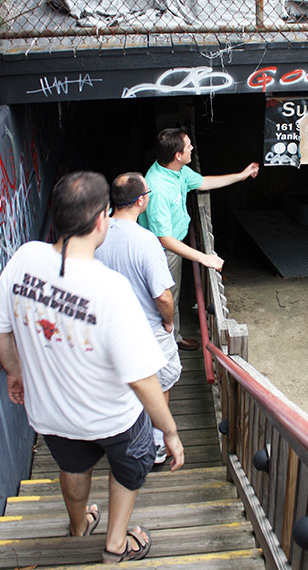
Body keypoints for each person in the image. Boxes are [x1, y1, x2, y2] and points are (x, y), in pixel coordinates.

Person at [0, 171, 184, 565]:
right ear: (100, 221)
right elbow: (142, 379)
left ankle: (79, 527)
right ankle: (115, 543)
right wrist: (170, 431)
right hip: (115, 419)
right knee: (129, 469)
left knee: (73, 468)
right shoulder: (110, 289)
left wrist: (15, 371)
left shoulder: (25, 257)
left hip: (51, 415)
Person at [139, 127, 259, 351]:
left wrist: (241, 176)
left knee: (169, 294)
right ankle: (169, 342)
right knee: (166, 297)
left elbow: (203, 182)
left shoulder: (177, 171)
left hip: (174, 243)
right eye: (188, 146)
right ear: (178, 155)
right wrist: (204, 257)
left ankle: (171, 337)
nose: (192, 148)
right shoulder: (158, 188)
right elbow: (164, 239)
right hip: (163, 250)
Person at [96, 172, 180, 466]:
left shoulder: (97, 233)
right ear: (141, 201)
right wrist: (168, 322)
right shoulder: (146, 241)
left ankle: (125, 439)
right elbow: (163, 296)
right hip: (147, 330)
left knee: (123, 384)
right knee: (161, 382)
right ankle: (158, 443)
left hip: (109, 330)